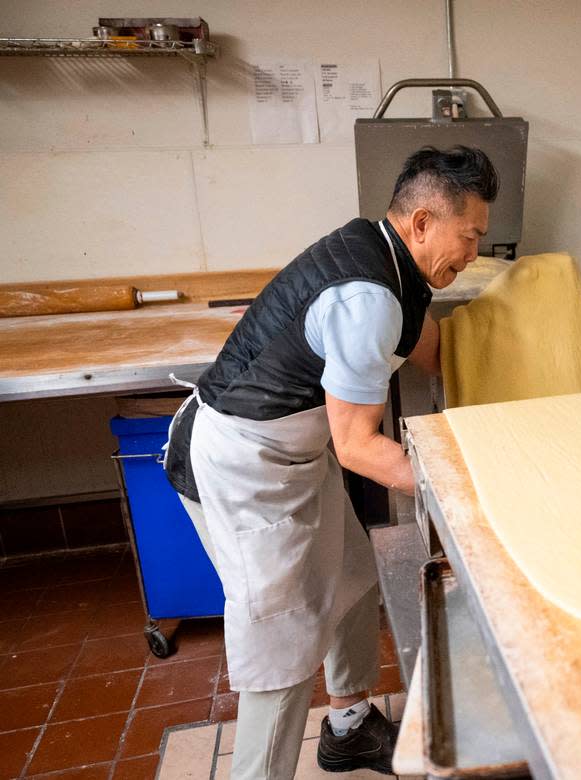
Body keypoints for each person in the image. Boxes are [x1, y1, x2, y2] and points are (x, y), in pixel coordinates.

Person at [163, 146, 497, 778]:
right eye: (471, 235)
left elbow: (433, 350)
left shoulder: (395, 263)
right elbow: (359, 447)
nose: (475, 252)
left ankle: (347, 727)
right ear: (424, 221)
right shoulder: (366, 294)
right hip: (249, 467)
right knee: (280, 645)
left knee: (352, 576)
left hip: (295, 452)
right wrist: (469, 493)